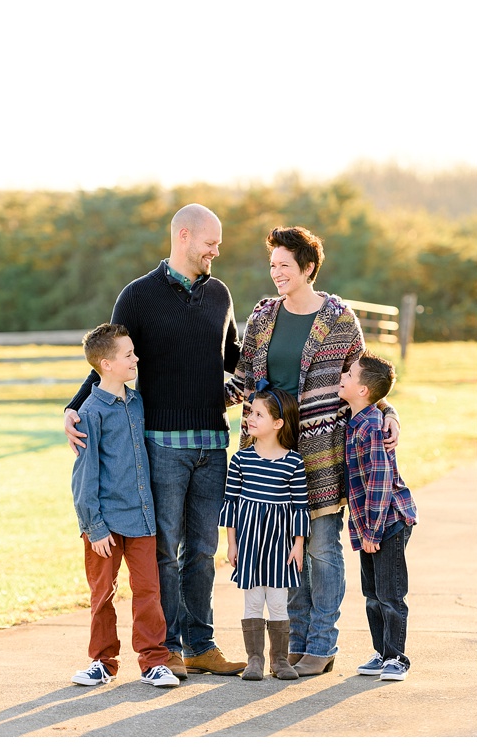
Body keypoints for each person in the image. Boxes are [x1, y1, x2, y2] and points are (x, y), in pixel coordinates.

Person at [65, 204, 246, 679]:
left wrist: (248, 384)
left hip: (213, 443)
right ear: (184, 236)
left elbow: (233, 358)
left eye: (218, 244)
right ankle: (164, 651)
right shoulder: (138, 296)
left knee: (202, 550)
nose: (216, 251)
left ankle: (200, 644)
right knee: (164, 550)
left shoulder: (220, 294)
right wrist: (74, 406)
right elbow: (106, 359)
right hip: (162, 444)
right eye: (211, 242)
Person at [225, 225, 400, 677]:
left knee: (321, 549)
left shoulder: (340, 320)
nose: (276, 273)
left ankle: (322, 643)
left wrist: (389, 412)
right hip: (269, 455)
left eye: (285, 265)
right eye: (272, 265)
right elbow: (243, 381)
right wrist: (188, 399)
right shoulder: (263, 317)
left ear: (307, 268)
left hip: (322, 456)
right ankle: (296, 644)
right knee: (287, 552)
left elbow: (366, 381)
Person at [69, 323, 179, 689]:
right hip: (105, 525)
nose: (136, 359)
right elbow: (83, 476)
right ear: (107, 364)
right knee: (103, 595)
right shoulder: (90, 412)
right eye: (128, 354)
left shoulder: (137, 403)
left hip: (141, 517)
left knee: (149, 592)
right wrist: (94, 526)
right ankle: (102, 662)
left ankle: (153, 663)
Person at [339, 351, 418, 682]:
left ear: (363, 390)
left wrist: (371, 532)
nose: (343, 375)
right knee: (372, 595)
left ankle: (397, 657)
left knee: (390, 594)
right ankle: (381, 652)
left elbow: (380, 483)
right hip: (369, 525)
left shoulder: (371, 425)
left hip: (387, 524)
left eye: (350, 374)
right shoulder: (354, 419)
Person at [221, 385, 309, 681]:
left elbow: (300, 507)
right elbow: (231, 503)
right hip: (250, 545)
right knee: (253, 601)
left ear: (278, 423)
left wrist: (298, 545)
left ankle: (280, 660)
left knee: (278, 602)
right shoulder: (241, 460)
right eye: (250, 413)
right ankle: (254, 660)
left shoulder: (293, 462)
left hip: (279, 547)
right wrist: (231, 544)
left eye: (258, 414)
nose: (250, 419)